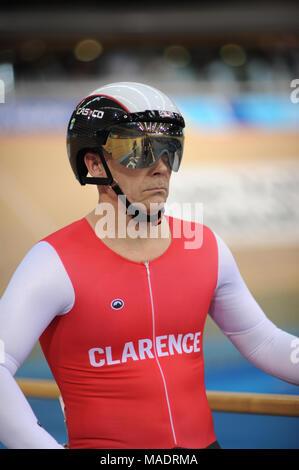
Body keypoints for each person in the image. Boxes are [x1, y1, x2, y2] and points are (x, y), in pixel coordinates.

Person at [0, 82, 298, 450]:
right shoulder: (51, 263)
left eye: (170, 150)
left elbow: (263, 340)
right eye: (138, 152)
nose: (160, 167)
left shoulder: (205, 246)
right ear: (93, 163)